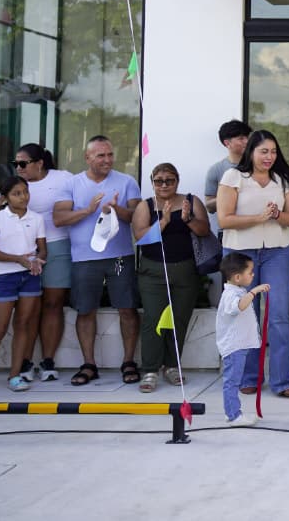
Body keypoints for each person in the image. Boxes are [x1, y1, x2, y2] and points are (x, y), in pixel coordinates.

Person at [216, 129, 289, 398]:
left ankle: (284, 381)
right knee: (246, 314)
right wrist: (259, 217)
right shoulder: (233, 177)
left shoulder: (283, 179)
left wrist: (277, 214)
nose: (269, 156)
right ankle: (249, 377)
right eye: (264, 151)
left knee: (278, 316)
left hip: (277, 252)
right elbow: (224, 220)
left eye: (274, 151)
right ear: (251, 151)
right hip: (241, 254)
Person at [53, 135, 142, 387]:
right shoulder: (72, 184)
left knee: (127, 308)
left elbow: (137, 218)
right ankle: (89, 364)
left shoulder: (126, 182)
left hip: (119, 256)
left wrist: (117, 209)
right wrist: (87, 211)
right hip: (84, 258)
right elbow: (59, 218)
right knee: (85, 310)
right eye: (101, 155)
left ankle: (128, 362)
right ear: (88, 157)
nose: (107, 160)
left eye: (110, 155)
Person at [132, 162, 211, 392]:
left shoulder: (191, 201)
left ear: (177, 181)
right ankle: (149, 369)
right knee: (154, 319)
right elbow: (141, 238)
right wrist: (164, 221)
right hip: (153, 271)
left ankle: (172, 365)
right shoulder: (145, 206)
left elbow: (204, 230)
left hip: (185, 270)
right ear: (152, 182)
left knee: (179, 319)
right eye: (159, 181)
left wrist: (187, 219)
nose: (164, 185)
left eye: (170, 180)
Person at [0, 177, 46, 395]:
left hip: (30, 276)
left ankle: (15, 375)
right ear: (6, 197)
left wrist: (37, 261)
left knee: (23, 325)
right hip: (5, 277)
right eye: (17, 193)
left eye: (25, 192)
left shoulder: (37, 218)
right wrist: (19, 259)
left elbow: (42, 249)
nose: (23, 197)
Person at [14, 143, 72, 382]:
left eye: (23, 163)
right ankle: (25, 362)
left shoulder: (63, 178)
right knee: (28, 308)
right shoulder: (15, 185)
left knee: (53, 304)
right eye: (15, 164)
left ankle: (48, 361)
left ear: (40, 163)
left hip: (57, 245)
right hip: (23, 250)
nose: (18, 168)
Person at [216, 252, 269, 427]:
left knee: (234, 380)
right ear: (238, 277)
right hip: (234, 347)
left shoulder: (238, 290)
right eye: (250, 272)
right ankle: (233, 415)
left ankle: (231, 411)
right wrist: (254, 292)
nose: (253, 274)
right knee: (232, 381)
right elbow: (238, 307)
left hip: (239, 345)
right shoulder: (232, 295)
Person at [205, 119, 252, 216]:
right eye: (241, 138)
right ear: (227, 143)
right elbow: (209, 207)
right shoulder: (216, 169)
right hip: (228, 228)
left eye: (247, 137)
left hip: (258, 224)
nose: (247, 141)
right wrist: (229, 195)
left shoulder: (259, 165)